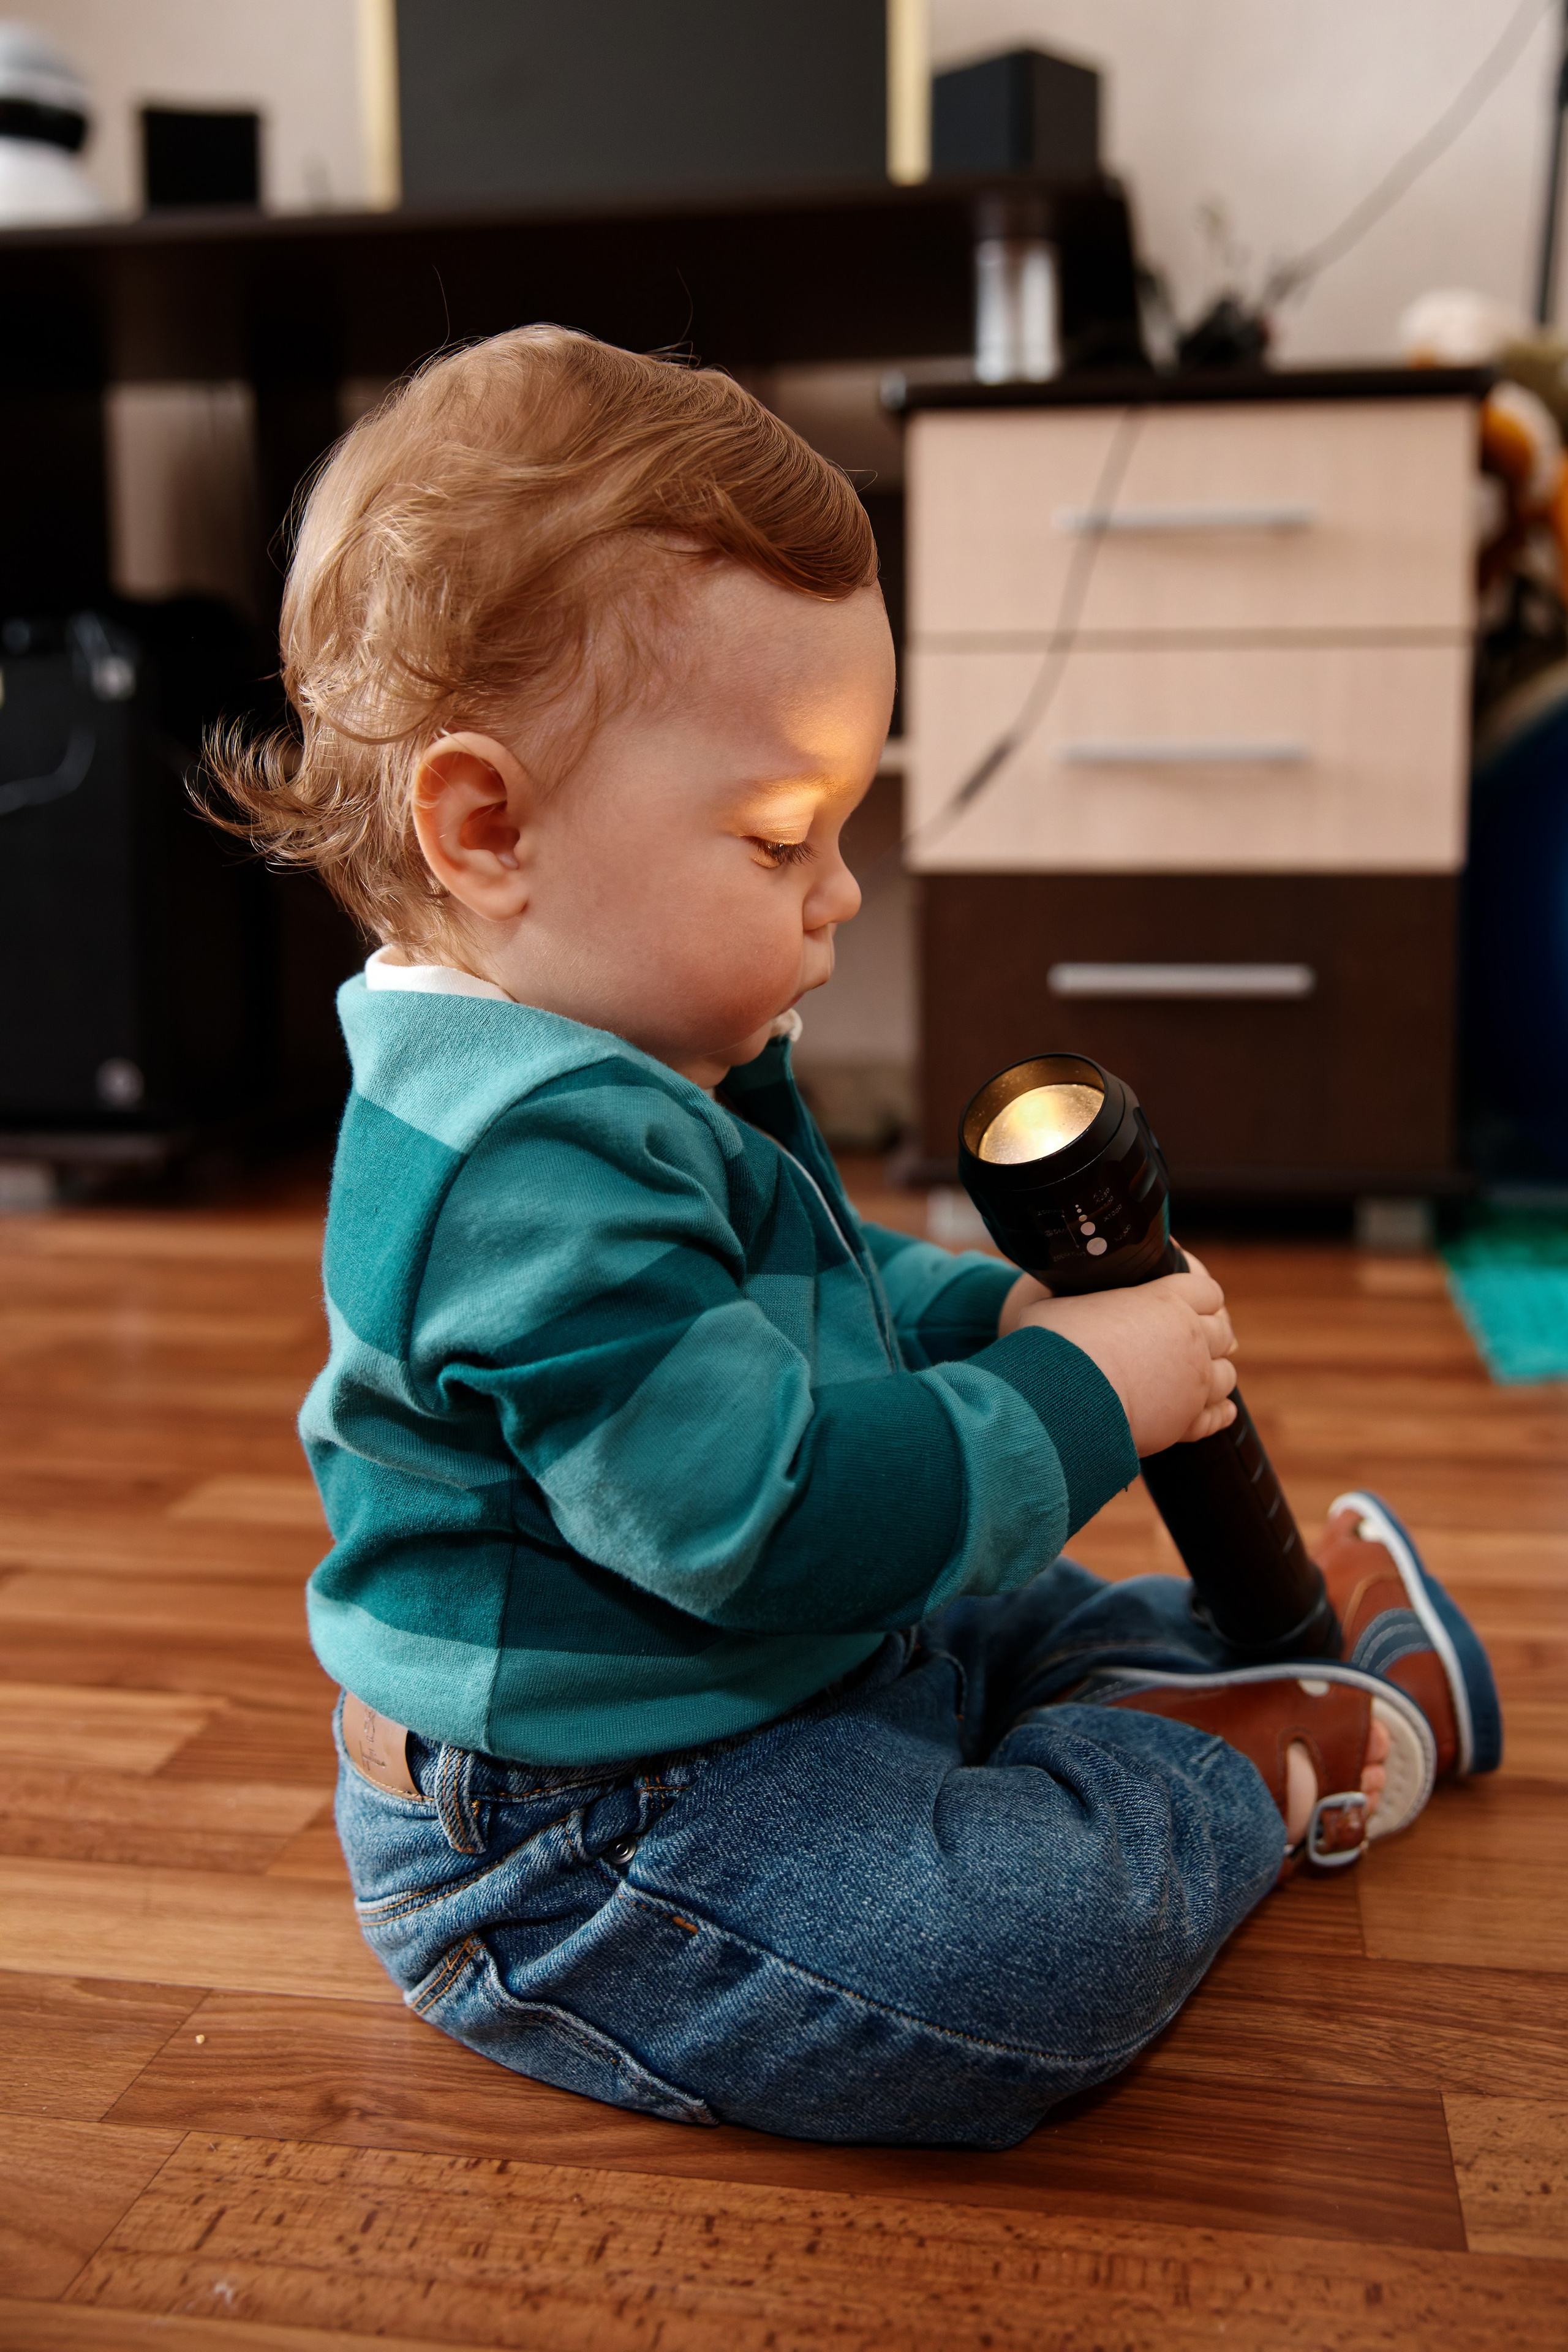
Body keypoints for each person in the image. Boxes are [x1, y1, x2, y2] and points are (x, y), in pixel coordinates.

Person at [204, 328, 1501, 2148]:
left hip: (775, 1677)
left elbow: (815, 1278)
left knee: (999, 1601)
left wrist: (998, 1315)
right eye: (777, 837)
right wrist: (1081, 1394)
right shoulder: (518, 1165)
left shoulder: (635, 1055)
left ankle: (1274, 1635)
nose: (841, 891)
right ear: (489, 825)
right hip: (587, 1833)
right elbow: (774, 1519)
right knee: (1025, 1961)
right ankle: (1230, 1747)